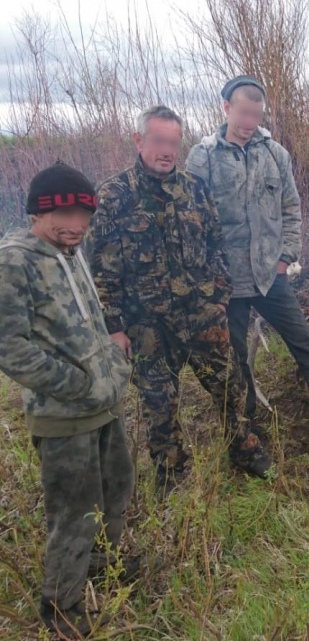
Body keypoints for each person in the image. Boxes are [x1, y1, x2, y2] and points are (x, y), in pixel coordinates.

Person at [88, 104, 271, 484]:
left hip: (200, 313)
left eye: (173, 142)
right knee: (158, 402)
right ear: (139, 141)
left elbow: (216, 246)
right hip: (147, 323)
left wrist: (219, 297)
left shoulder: (194, 189)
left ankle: (244, 448)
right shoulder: (113, 196)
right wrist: (115, 327)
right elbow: (103, 270)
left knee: (230, 386)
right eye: (158, 141)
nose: (167, 151)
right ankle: (170, 469)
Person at [186, 76, 309, 442]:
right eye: (243, 114)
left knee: (303, 342)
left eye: (256, 115)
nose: (249, 122)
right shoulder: (203, 156)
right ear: (226, 108)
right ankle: (246, 425)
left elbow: (291, 208)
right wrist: (206, 275)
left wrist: (286, 257)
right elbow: (191, 221)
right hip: (226, 280)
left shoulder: (275, 154)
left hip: (270, 275)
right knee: (235, 356)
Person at [0, 163, 134, 637]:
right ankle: (61, 609)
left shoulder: (70, 251)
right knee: (74, 511)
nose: (77, 225)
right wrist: (75, 384)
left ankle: (100, 564)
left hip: (103, 403)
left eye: (85, 216)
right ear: (38, 211)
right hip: (63, 414)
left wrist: (111, 367)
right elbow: (9, 347)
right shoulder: (13, 262)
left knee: (116, 487)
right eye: (66, 214)